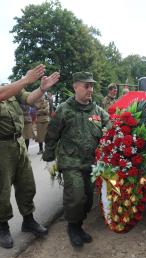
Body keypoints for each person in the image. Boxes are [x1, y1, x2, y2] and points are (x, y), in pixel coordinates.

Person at [0, 55, 60, 249]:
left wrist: (42, 88)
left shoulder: (10, 88)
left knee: (27, 185)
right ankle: (3, 227)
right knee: (2, 189)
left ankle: (28, 220)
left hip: (18, 143)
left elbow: (28, 99)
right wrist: (26, 80)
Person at [43, 71, 110, 248]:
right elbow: (51, 135)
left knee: (88, 199)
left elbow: (111, 128)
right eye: (86, 86)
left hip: (91, 164)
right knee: (76, 197)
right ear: (75, 87)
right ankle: (73, 228)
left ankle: (79, 226)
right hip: (70, 162)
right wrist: (49, 159)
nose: (90, 89)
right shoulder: (64, 110)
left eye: (92, 86)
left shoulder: (98, 111)